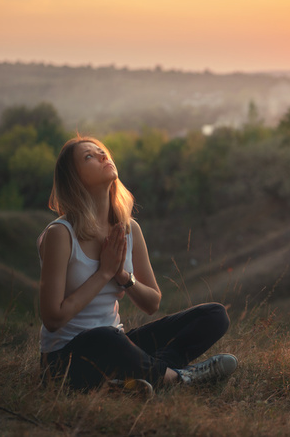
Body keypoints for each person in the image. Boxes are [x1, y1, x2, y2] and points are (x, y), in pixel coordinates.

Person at [38, 135, 237, 394]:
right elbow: (53, 319)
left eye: (102, 152)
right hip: (65, 360)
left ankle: (144, 377)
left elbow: (152, 303)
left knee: (214, 315)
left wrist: (122, 275)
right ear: (74, 179)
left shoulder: (129, 229)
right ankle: (179, 379)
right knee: (106, 337)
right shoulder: (61, 234)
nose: (102, 156)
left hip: (117, 345)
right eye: (89, 156)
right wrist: (105, 272)